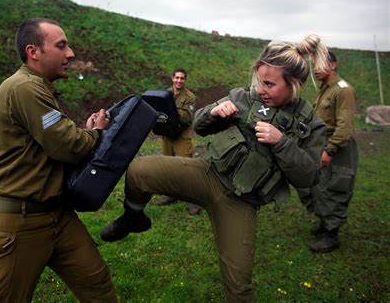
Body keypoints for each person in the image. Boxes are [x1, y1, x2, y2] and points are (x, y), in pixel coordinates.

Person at [99, 34, 329, 301]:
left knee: (239, 286)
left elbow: (310, 177)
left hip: (242, 203)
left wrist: (282, 143)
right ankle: (133, 217)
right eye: (259, 80)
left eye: (269, 84)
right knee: (140, 170)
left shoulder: (310, 125)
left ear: (295, 84)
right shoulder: (244, 97)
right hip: (206, 175)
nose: (261, 89)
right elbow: (198, 124)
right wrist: (212, 114)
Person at [0, 18, 117, 302]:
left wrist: (86, 133)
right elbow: (68, 145)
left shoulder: (37, 88)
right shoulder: (24, 87)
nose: (70, 53)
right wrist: (96, 132)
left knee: (98, 287)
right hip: (14, 223)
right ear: (33, 51)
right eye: (61, 45)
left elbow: (59, 137)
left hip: (56, 216)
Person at [298, 51, 359, 253]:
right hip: (321, 143)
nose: (315, 69)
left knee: (334, 188)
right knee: (318, 186)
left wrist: (330, 150)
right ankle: (325, 223)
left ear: (332, 65)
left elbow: (345, 127)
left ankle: (331, 235)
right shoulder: (326, 89)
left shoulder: (343, 90)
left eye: (319, 64)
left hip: (337, 147)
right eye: (313, 65)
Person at [156, 68, 202, 215]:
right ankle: (171, 195)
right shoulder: (165, 94)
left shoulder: (189, 97)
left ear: (185, 80)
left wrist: (170, 107)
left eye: (182, 78)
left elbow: (186, 118)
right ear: (172, 78)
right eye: (177, 78)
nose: (179, 81)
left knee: (187, 168)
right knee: (168, 167)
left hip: (182, 136)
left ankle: (195, 201)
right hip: (167, 135)